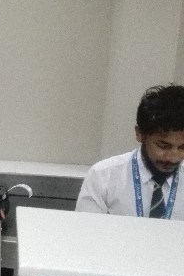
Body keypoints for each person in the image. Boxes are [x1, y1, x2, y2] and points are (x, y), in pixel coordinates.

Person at [76, 84, 184, 219]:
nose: (173, 158)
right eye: (163, 146)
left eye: (182, 148)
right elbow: (87, 229)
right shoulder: (104, 176)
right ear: (140, 134)